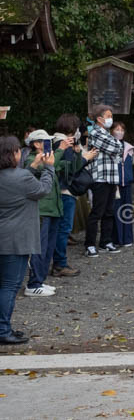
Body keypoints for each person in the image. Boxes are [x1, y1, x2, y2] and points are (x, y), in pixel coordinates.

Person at [0, 135, 56, 344]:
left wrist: (32, 166)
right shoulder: (21, 177)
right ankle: (3, 330)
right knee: (9, 286)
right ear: (11, 154)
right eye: (17, 151)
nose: (19, 154)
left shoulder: (16, 176)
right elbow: (42, 190)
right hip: (16, 239)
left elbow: (21, 184)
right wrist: (49, 168)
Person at [51, 114, 95, 278]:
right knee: (64, 229)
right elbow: (69, 170)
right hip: (65, 191)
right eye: (77, 128)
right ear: (72, 128)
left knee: (59, 229)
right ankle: (60, 264)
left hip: (58, 191)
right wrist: (85, 158)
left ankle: (57, 262)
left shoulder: (54, 141)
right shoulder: (64, 144)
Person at [22, 130, 62, 296]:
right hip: (41, 210)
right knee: (39, 248)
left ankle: (40, 280)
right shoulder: (33, 160)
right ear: (37, 144)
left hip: (53, 209)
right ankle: (33, 283)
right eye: (46, 141)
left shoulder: (47, 159)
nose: (49, 144)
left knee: (48, 247)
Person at [85, 104, 124, 257]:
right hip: (100, 177)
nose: (110, 119)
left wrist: (116, 146)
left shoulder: (106, 133)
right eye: (108, 116)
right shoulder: (95, 132)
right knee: (97, 211)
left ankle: (105, 241)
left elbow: (118, 149)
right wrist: (117, 146)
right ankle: (89, 244)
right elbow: (116, 148)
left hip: (112, 176)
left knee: (109, 211)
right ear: (99, 119)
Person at [112, 122, 134, 248]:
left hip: (127, 183)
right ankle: (117, 239)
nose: (119, 131)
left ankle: (127, 239)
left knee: (127, 211)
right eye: (117, 129)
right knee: (115, 211)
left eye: (122, 129)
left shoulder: (128, 147)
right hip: (115, 184)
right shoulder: (109, 146)